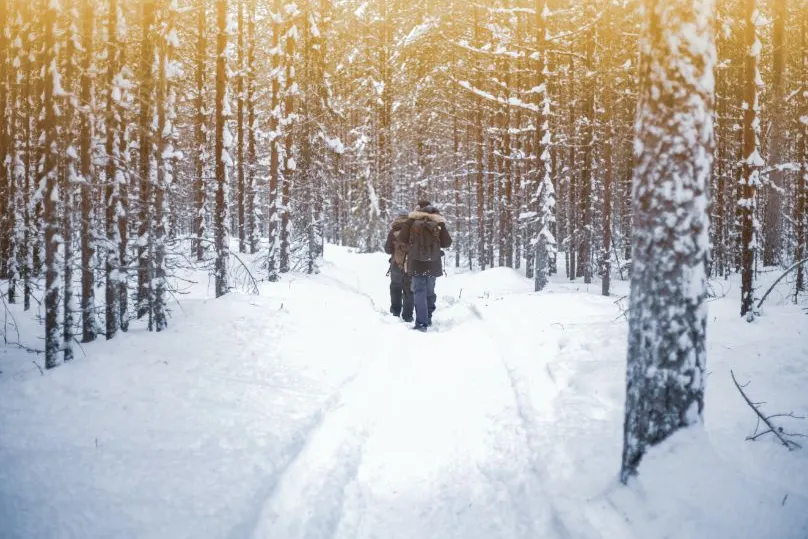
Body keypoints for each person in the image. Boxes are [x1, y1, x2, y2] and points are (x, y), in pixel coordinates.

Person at [398, 201, 452, 331]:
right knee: (430, 292)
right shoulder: (438, 222)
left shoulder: (411, 221)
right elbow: (447, 242)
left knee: (419, 291)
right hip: (433, 263)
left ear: (417, 209)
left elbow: (402, 239)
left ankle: (422, 323)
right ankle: (427, 318)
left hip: (416, 263)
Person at [384, 214, 413, 322]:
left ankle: (395, 312)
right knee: (409, 290)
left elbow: (387, 249)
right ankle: (408, 316)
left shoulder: (394, 231)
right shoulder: (413, 229)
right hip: (410, 265)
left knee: (395, 288)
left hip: (396, 264)